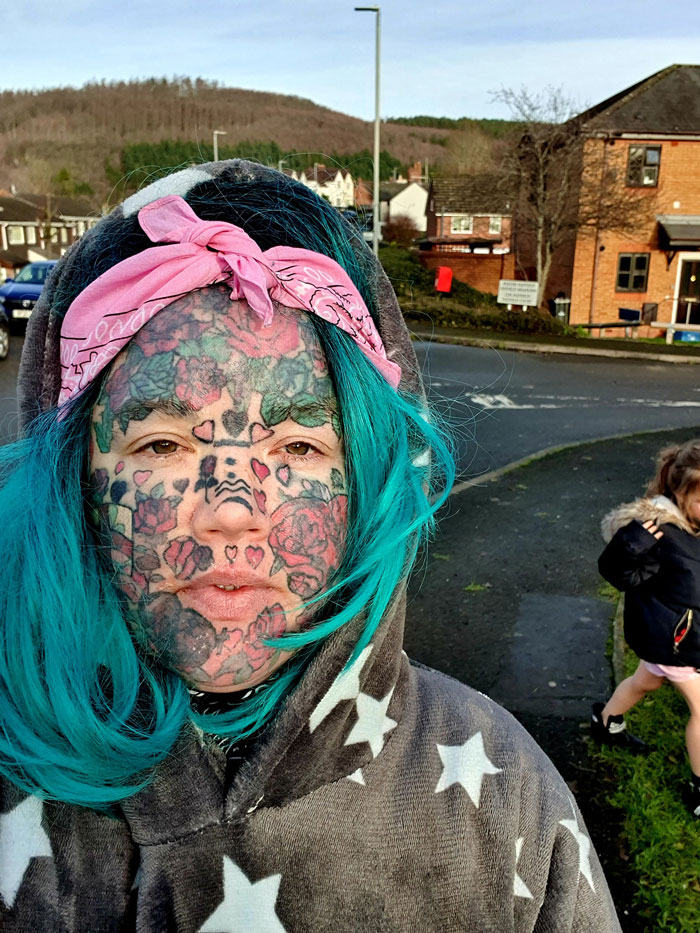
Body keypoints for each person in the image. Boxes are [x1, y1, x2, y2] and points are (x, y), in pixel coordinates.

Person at [0, 160, 619, 931]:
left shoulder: (504, 796)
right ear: (72, 477)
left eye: (296, 446)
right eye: (161, 443)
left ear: (369, 479)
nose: (232, 513)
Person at [594, 440, 700, 815]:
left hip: (679, 637)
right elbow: (618, 573)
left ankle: (607, 722)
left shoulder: (695, 525)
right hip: (674, 640)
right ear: (680, 493)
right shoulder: (659, 532)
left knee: (646, 682)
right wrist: (631, 544)